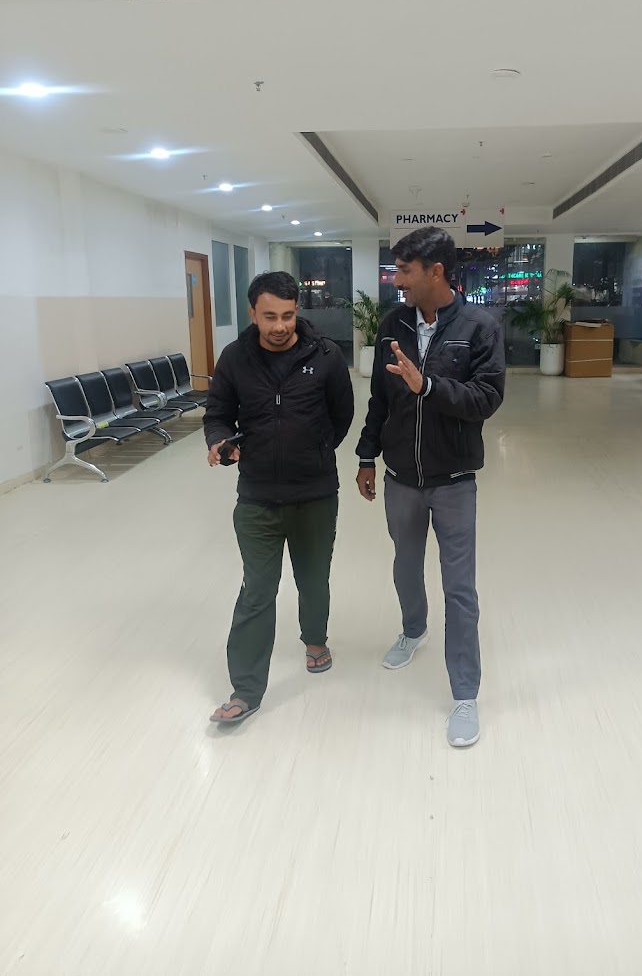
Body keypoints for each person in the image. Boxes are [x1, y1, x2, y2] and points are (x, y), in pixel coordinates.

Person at [355, 227, 505, 747]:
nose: (397, 280)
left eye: (405, 271)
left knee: (459, 588)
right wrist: (366, 455)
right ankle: (413, 629)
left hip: (454, 480)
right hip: (401, 477)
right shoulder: (392, 324)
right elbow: (379, 398)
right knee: (404, 564)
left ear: (435, 272)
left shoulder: (479, 327)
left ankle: (465, 693)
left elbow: (486, 399)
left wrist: (429, 386)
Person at [204, 270, 354, 724]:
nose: (280, 326)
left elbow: (342, 415)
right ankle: (246, 690)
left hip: (315, 494)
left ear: (296, 311)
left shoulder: (325, 355)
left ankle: (315, 640)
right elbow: (218, 412)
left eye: (288, 315)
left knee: (313, 578)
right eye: (270, 316)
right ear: (253, 313)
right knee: (257, 591)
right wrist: (219, 440)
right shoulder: (235, 358)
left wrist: (313, 450)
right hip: (256, 497)